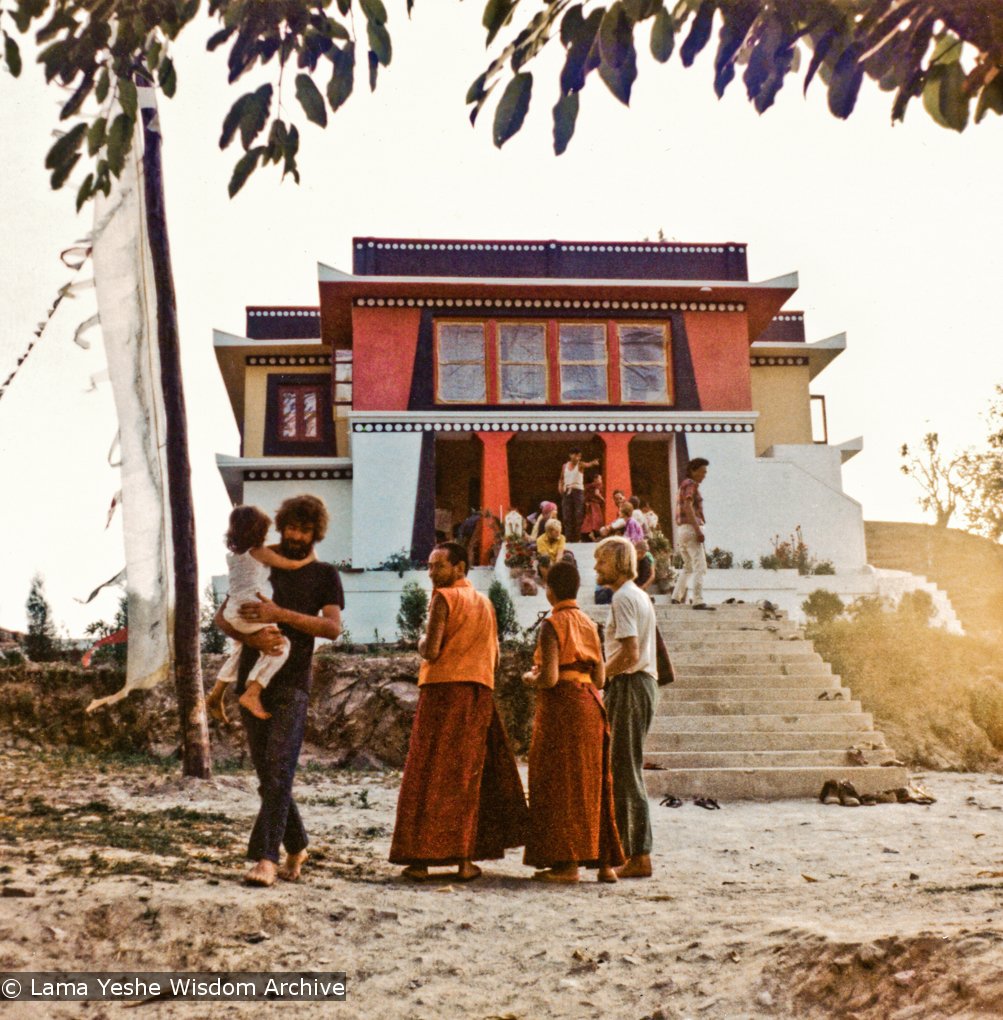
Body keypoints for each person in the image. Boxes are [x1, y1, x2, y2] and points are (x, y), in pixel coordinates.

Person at [214, 494, 344, 888]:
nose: (295, 535)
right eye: (291, 526)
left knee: (279, 768)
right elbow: (222, 617)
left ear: (315, 532)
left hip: (293, 683)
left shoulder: (324, 574)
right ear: (281, 525)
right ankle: (298, 844)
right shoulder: (257, 560)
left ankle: (265, 858)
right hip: (251, 679)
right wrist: (250, 640)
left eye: (304, 529)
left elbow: (333, 628)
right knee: (267, 772)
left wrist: (280, 616)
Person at [389, 542, 527, 882]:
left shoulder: (444, 598)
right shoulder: (486, 603)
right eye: (431, 566)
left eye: (439, 566)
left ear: (460, 568)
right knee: (468, 776)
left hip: (442, 692)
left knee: (430, 772)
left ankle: (421, 860)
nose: (432, 573)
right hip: (479, 693)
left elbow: (432, 649)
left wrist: (418, 642)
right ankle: (465, 861)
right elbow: (495, 656)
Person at [522, 561, 624, 883]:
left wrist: (529, 678)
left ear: (550, 590)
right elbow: (601, 677)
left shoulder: (552, 624)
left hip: (563, 707)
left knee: (560, 783)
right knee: (593, 782)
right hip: (590, 704)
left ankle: (566, 866)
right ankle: (604, 864)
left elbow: (550, 678)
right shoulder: (589, 623)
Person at [207, 505, 317, 723]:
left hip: (233, 612)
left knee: (240, 647)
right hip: (251, 613)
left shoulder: (235, 556)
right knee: (280, 645)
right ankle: (254, 690)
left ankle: (216, 694)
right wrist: (307, 559)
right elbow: (289, 564)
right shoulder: (259, 553)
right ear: (258, 533)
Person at [594, 536, 659, 879]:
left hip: (631, 685)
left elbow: (630, 653)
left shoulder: (623, 598)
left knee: (624, 769)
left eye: (601, 561)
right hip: (641, 685)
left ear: (618, 563)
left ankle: (637, 854)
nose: (596, 568)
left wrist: (600, 676)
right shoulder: (638, 595)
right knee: (625, 766)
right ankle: (633, 851)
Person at [671, 458, 713, 610]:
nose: (704, 475)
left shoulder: (683, 485)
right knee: (700, 566)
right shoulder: (691, 484)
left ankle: (676, 596)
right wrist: (698, 530)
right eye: (702, 472)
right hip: (690, 527)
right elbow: (688, 506)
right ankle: (698, 599)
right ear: (694, 471)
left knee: (688, 566)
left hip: (682, 530)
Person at [557, 448, 599, 543]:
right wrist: (560, 487)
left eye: (579, 456)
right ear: (571, 455)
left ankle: (578, 538)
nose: (578, 458)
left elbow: (588, 464)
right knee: (567, 516)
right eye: (576, 455)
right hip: (567, 491)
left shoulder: (580, 464)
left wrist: (593, 463)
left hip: (578, 492)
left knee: (578, 515)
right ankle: (569, 539)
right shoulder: (565, 466)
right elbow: (561, 478)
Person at [580, 471, 605, 540]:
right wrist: (603, 499)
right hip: (595, 505)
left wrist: (586, 502)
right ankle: (593, 533)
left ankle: (589, 532)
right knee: (597, 520)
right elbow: (596, 493)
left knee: (589, 519)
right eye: (600, 479)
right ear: (595, 479)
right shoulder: (597, 485)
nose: (601, 481)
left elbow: (584, 494)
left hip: (589, 504)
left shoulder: (588, 486)